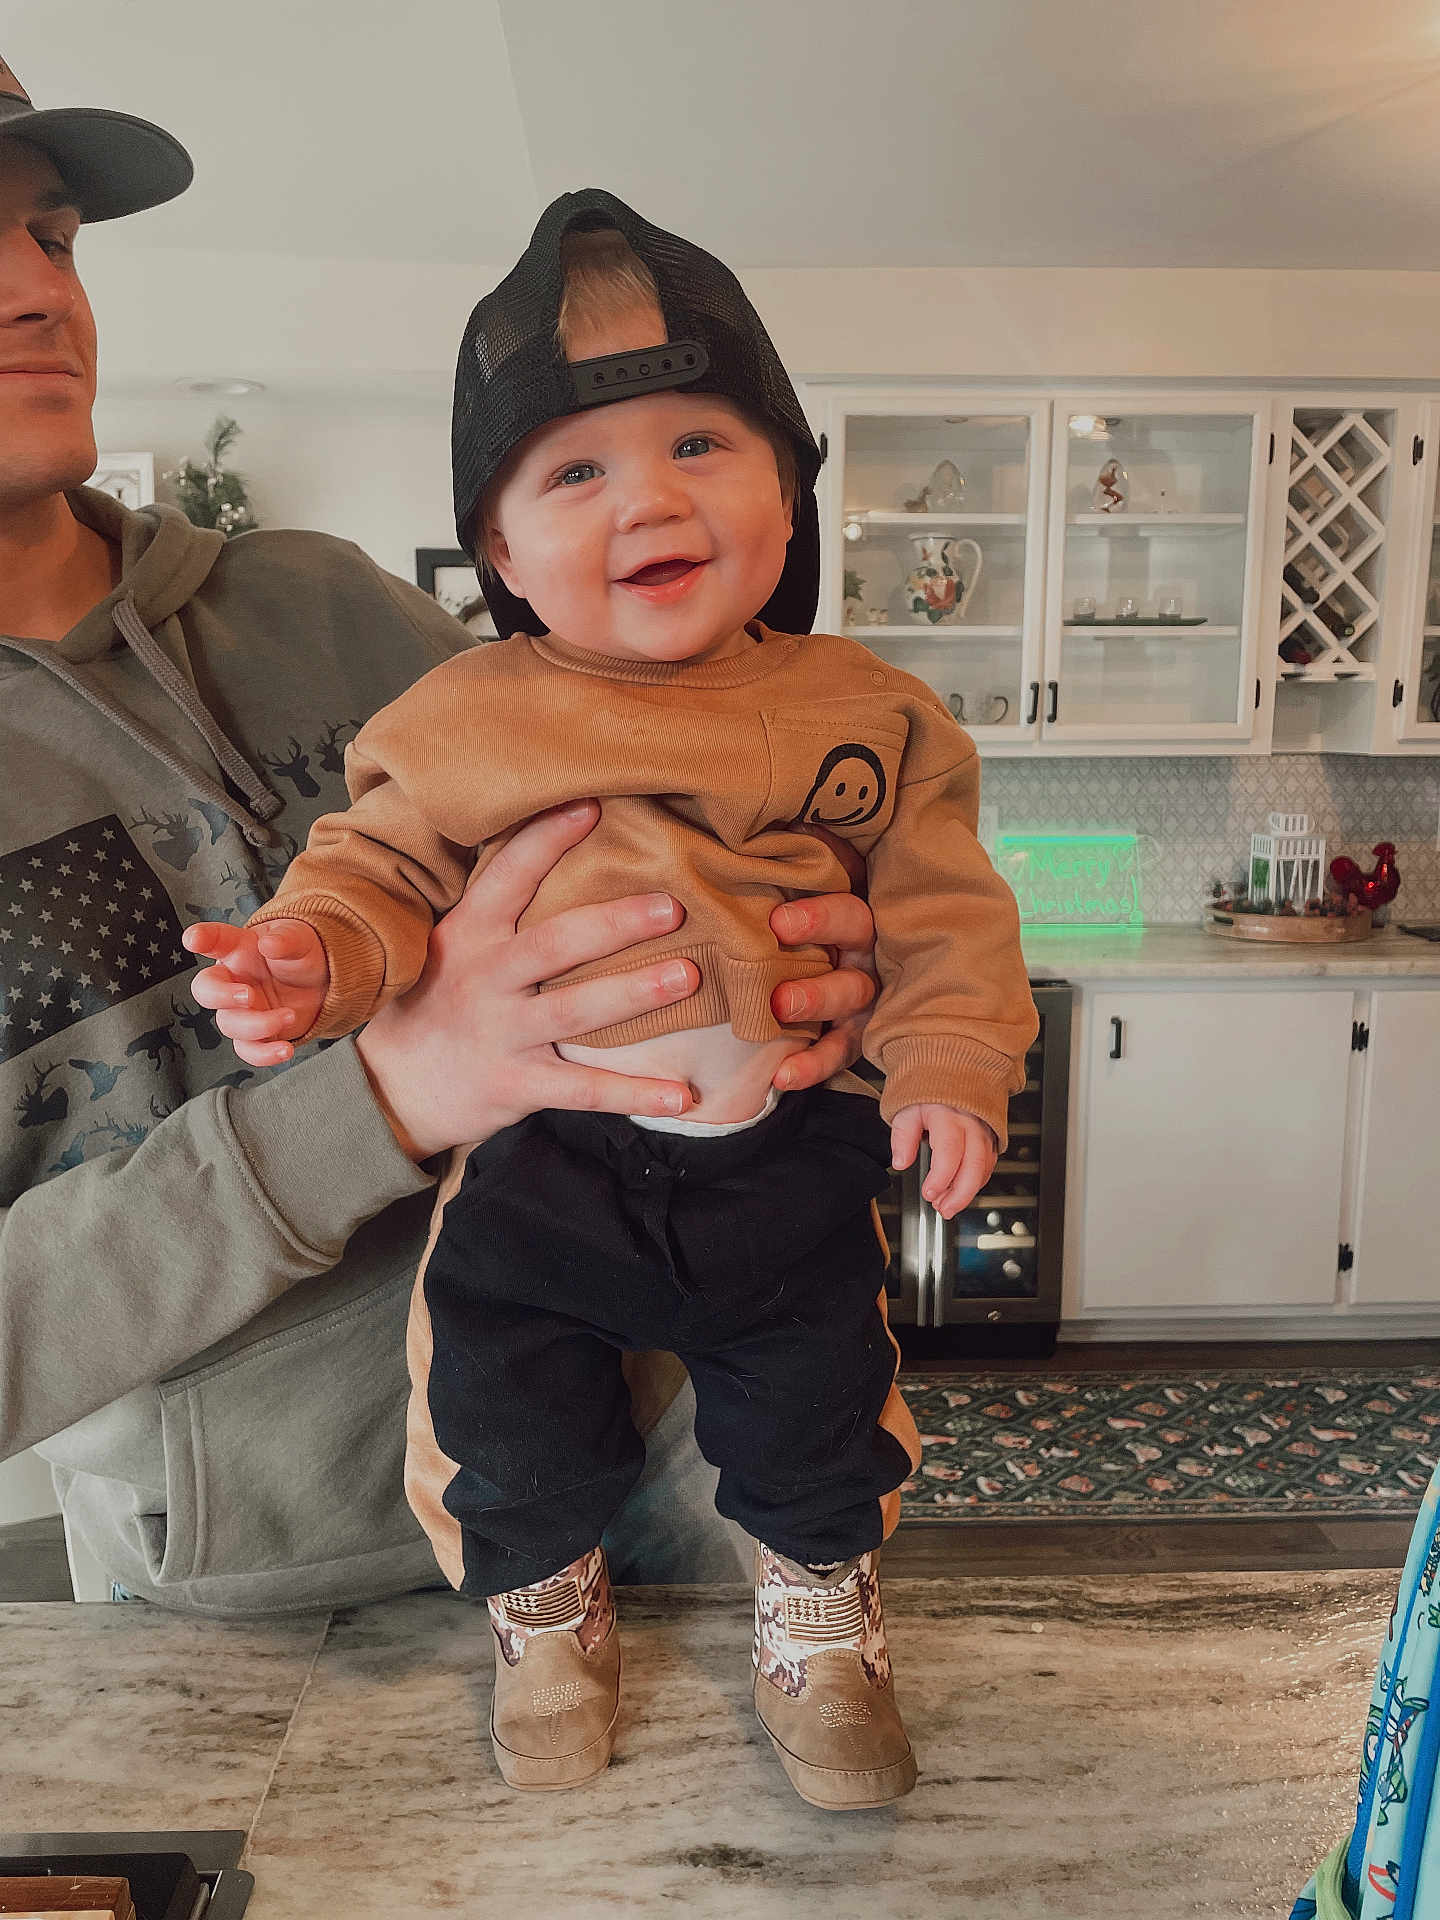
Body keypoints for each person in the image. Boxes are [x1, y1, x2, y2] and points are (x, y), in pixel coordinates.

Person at [187, 191, 1038, 1806]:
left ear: (789, 492)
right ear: (501, 552)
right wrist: (315, 959)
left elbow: (942, 909)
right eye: (574, 471)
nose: (649, 495)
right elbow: (372, 869)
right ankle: (546, 1612)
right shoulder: (459, 718)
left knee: (820, 1401)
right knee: (502, 1390)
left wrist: (948, 1059)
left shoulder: (869, 711)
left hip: (781, 1145)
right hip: (549, 1155)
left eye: (702, 443)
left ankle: (819, 1621)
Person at [0, 60, 882, 1614]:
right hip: (267, 1594)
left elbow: (692, 804)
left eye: (51, 234)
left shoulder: (327, 605)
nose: (36, 291)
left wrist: (822, 958)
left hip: (679, 1467)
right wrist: (386, 1094)